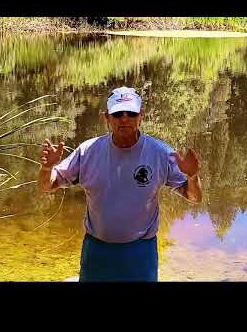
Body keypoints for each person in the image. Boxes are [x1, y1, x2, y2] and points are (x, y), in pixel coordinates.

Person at [38, 86, 202, 282]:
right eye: (117, 114)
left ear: (141, 116)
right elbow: (46, 186)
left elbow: (195, 198)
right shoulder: (88, 151)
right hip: (97, 251)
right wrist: (47, 168)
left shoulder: (160, 153)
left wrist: (192, 176)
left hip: (141, 253)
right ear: (106, 117)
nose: (124, 118)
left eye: (131, 113)